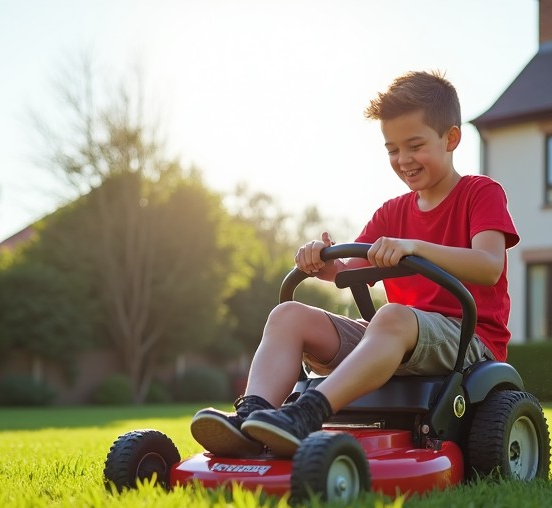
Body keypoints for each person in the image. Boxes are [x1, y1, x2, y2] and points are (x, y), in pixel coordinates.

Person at [191, 70, 520, 459]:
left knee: (393, 316)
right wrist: (319, 259)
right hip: (396, 333)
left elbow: (488, 266)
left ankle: (306, 413)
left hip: (468, 338)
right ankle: (253, 416)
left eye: (414, 145)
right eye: (392, 149)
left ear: (451, 138)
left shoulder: (480, 193)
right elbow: (347, 272)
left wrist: (415, 246)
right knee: (288, 314)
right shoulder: (391, 212)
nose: (403, 160)